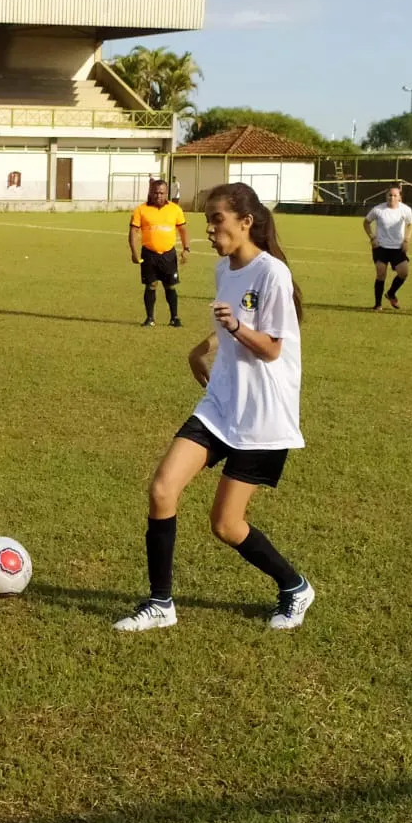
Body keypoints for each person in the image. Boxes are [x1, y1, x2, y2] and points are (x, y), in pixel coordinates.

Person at [114, 181, 314, 634]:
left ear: (246, 222)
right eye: (207, 221)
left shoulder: (272, 274)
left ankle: (294, 586)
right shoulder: (226, 268)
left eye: (216, 219)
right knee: (163, 488)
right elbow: (225, 324)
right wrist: (198, 348)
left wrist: (238, 327)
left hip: (263, 415)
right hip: (221, 403)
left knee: (226, 524)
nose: (209, 229)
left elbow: (273, 348)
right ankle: (160, 604)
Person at [129, 178, 190, 327]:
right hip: (149, 254)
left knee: (170, 286)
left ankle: (174, 318)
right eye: (155, 193)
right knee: (151, 285)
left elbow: (182, 229)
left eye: (162, 193)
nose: (158, 196)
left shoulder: (175, 209)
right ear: (151, 193)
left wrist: (186, 248)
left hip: (168, 254)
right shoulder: (141, 210)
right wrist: (134, 252)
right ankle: (150, 318)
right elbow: (133, 231)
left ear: (166, 193)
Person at [364, 186, 412, 310]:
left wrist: (406, 240)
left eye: (395, 195)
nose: (392, 197)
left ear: (400, 197)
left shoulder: (406, 210)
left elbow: (410, 224)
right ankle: (378, 304)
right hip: (380, 247)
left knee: (403, 272)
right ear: (386, 196)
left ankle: (391, 293)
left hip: (397, 248)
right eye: (390, 195)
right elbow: (366, 222)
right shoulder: (378, 209)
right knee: (381, 274)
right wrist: (372, 237)